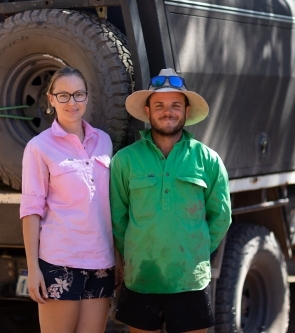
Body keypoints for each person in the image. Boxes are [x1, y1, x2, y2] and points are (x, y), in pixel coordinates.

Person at [110, 68, 231, 333]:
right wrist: (130, 253)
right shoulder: (125, 160)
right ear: (148, 110)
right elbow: (118, 218)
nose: (168, 111)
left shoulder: (208, 159)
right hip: (140, 278)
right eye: (160, 105)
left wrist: (195, 249)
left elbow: (221, 216)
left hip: (190, 280)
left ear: (186, 112)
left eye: (176, 105)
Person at [20, 66, 115, 333]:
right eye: (63, 95)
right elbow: (31, 210)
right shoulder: (39, 147)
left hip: (101, 261)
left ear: (87, 97)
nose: (71, 102)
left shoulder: (104, 141)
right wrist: (33, 269)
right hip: (60, 261)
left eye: (78, 94)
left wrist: (118, 257)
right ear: (51, 99)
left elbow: (109, 205)